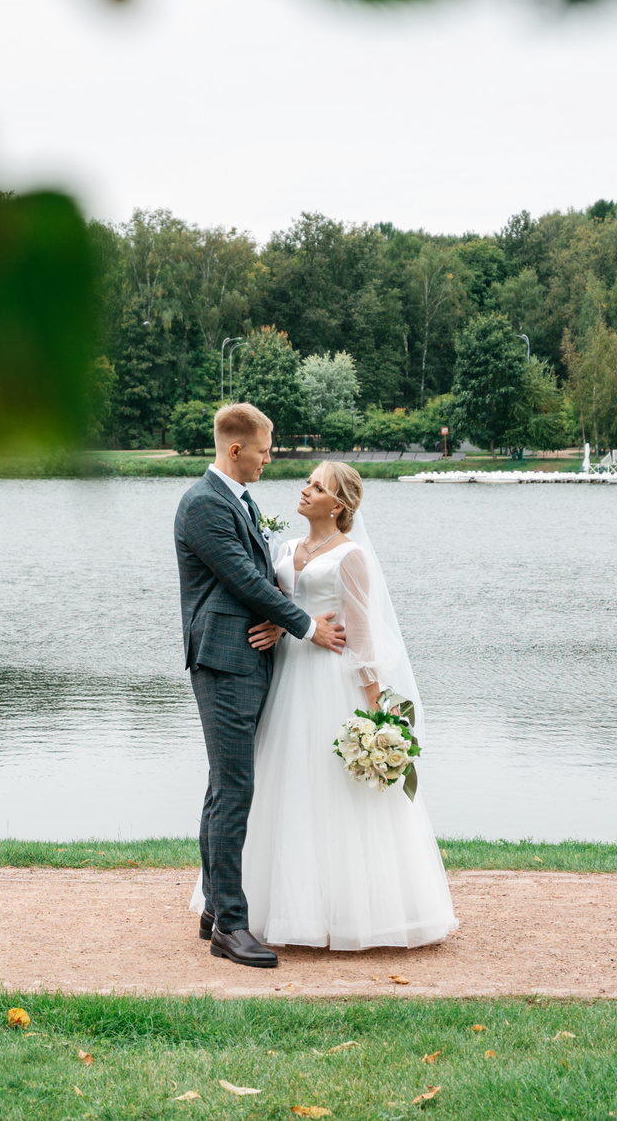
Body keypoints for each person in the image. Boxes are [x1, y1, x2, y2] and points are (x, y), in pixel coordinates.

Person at [236, 460, 457, 949]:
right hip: (285, 676)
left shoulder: (350, 557)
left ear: (338, 506)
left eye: (317, 486)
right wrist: (279, 624)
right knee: (284, 783)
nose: (306, 489)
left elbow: (361, 638)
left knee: (331, 789)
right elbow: (275, 601)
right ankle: (273, 906)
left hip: (328, 680)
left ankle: (349, 910)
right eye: (308, 482)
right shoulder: (284, 547)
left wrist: (377, 713)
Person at [173, 403, 345, 968]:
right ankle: (232, 925)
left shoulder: (237, 501)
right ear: (236, 449)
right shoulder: (202, 504)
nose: (271, 461)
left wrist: (276, 617)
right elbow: (242, 578)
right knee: (234, 791)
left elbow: (256, 581)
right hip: (223, 661)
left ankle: (212, 911)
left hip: (247, 655)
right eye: (266, 451)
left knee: (223, 787)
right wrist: (305, 625)